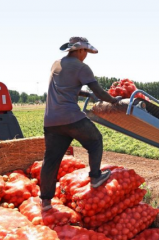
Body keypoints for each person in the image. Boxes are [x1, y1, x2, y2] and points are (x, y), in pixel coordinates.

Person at [40, 37, 121, 211]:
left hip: (52, 121)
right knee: (95, 140)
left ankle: (45, 201)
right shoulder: (81, 67)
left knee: (51, 160)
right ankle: (96, 176)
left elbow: (66, 87)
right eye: (86, 52)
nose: (86, 56)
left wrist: (85, 95)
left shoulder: (56, 63)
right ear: (80, 50)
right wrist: (114, 100)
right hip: (71, 118)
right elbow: (99, 91)